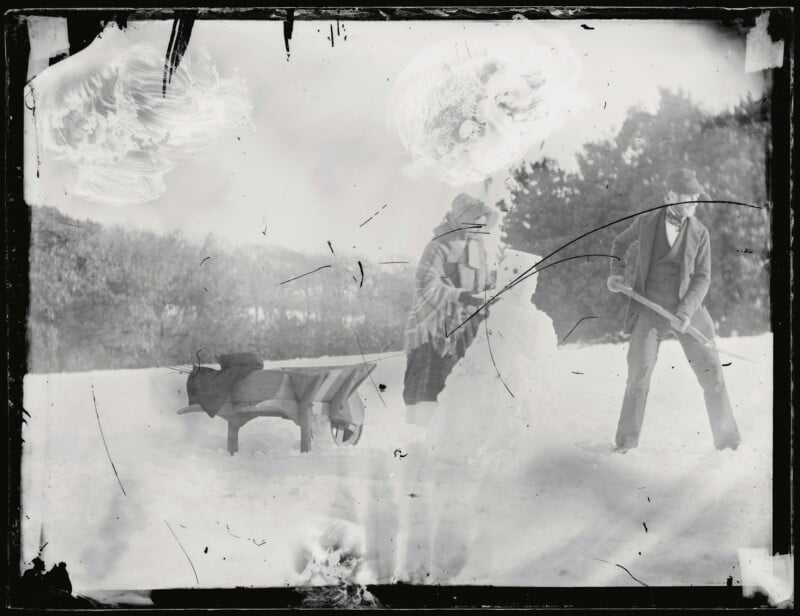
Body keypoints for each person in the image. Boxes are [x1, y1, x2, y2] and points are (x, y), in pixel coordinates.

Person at [607, 168, 741, 452]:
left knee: (712, 374)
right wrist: (617, 272)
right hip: (650, 310)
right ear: (669, 196)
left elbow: (703, 278)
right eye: (686, 195)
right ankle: (625, 444)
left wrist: (685, 311)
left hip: (688, 313)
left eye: (695, 195)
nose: (693, 200)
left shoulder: (700, 233)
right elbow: (620, 243)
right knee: (639, 372)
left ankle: (729, 445)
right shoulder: (646, 223)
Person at [402, 193, 500, 427]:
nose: (479, 225)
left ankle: (456, 435)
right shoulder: (439, 245)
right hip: (435, 328)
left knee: (464, 383)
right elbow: (425, 283)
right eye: (475, 219)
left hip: (468, 326)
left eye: (483, 219)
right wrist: (460, 295)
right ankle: (422, 435)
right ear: (461, 218)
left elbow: (481, 282)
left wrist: (489, 291)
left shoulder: (478, 247)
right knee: (432, 384)